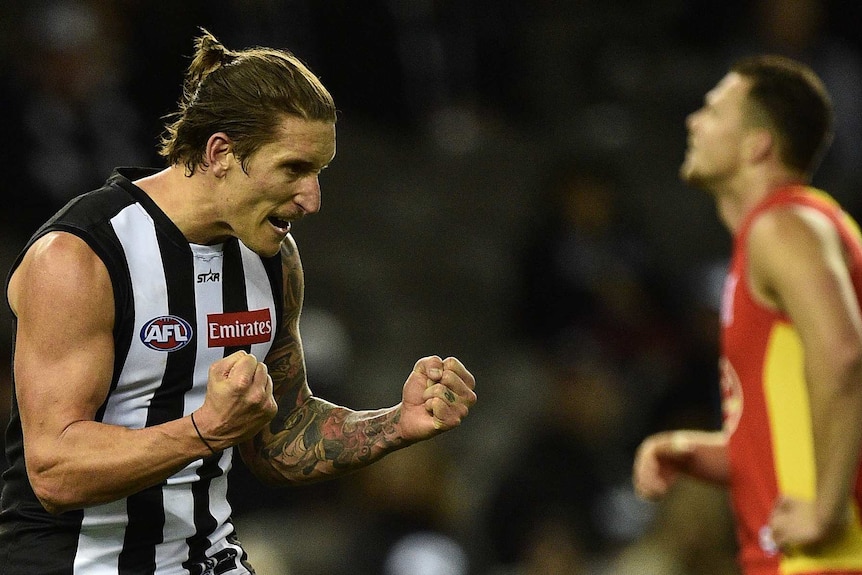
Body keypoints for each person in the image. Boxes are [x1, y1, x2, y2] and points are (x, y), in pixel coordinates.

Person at [0, 29, 477, 575]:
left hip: (207, 560)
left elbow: (282, 439)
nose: (312, 199)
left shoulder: (273, 260)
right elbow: (55, 471)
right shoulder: (81, 256)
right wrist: (203, 430)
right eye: (294, 169)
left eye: (319, 172)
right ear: (221, 152)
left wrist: (397, 423)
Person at [632, 54, 862, 575]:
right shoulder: (781, 234)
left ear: (758, 144)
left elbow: (846, 356)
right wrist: (698, 450)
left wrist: (826, 509)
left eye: (714, 111)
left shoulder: (783, 226)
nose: (693, 120)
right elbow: (789, 432)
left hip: (825, 561)